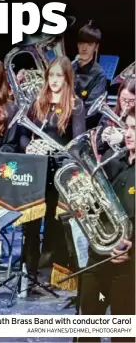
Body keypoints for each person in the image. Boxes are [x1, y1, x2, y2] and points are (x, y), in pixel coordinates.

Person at [19, 56, 86, 279]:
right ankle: (28, 272)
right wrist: (29, 147)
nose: (54, 80)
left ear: (67, 78)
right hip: (36, 170)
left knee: (53, 223)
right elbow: (22, 135)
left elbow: (77, 142)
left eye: (59, 75)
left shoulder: (75, 105)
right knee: (30, 223)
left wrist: (54, 150)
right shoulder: (37, 102)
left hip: (57, 172)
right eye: (51, 75)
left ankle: (48, 271)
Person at [76, 109, 135, 343]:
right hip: (98, 259)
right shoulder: (113, 161)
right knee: (87, 329)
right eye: (127, 127)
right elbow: (97, 207)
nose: (128, 134)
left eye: (134, 129)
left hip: (128, 267)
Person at [72, 21, 107, 128]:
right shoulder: (69, 68)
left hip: (83, 124)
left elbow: (91, 109)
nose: (84, 48)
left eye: (90, 44)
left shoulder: (99, 75)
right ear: (78, 45)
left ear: (96, 47)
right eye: (81, 44)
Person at [99, 78, 135, 154]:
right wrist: (104, 139)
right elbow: (98, 147)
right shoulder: (108, 116)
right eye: (123, 99)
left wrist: (122, 139)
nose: (126, 104)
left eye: (131, 100)